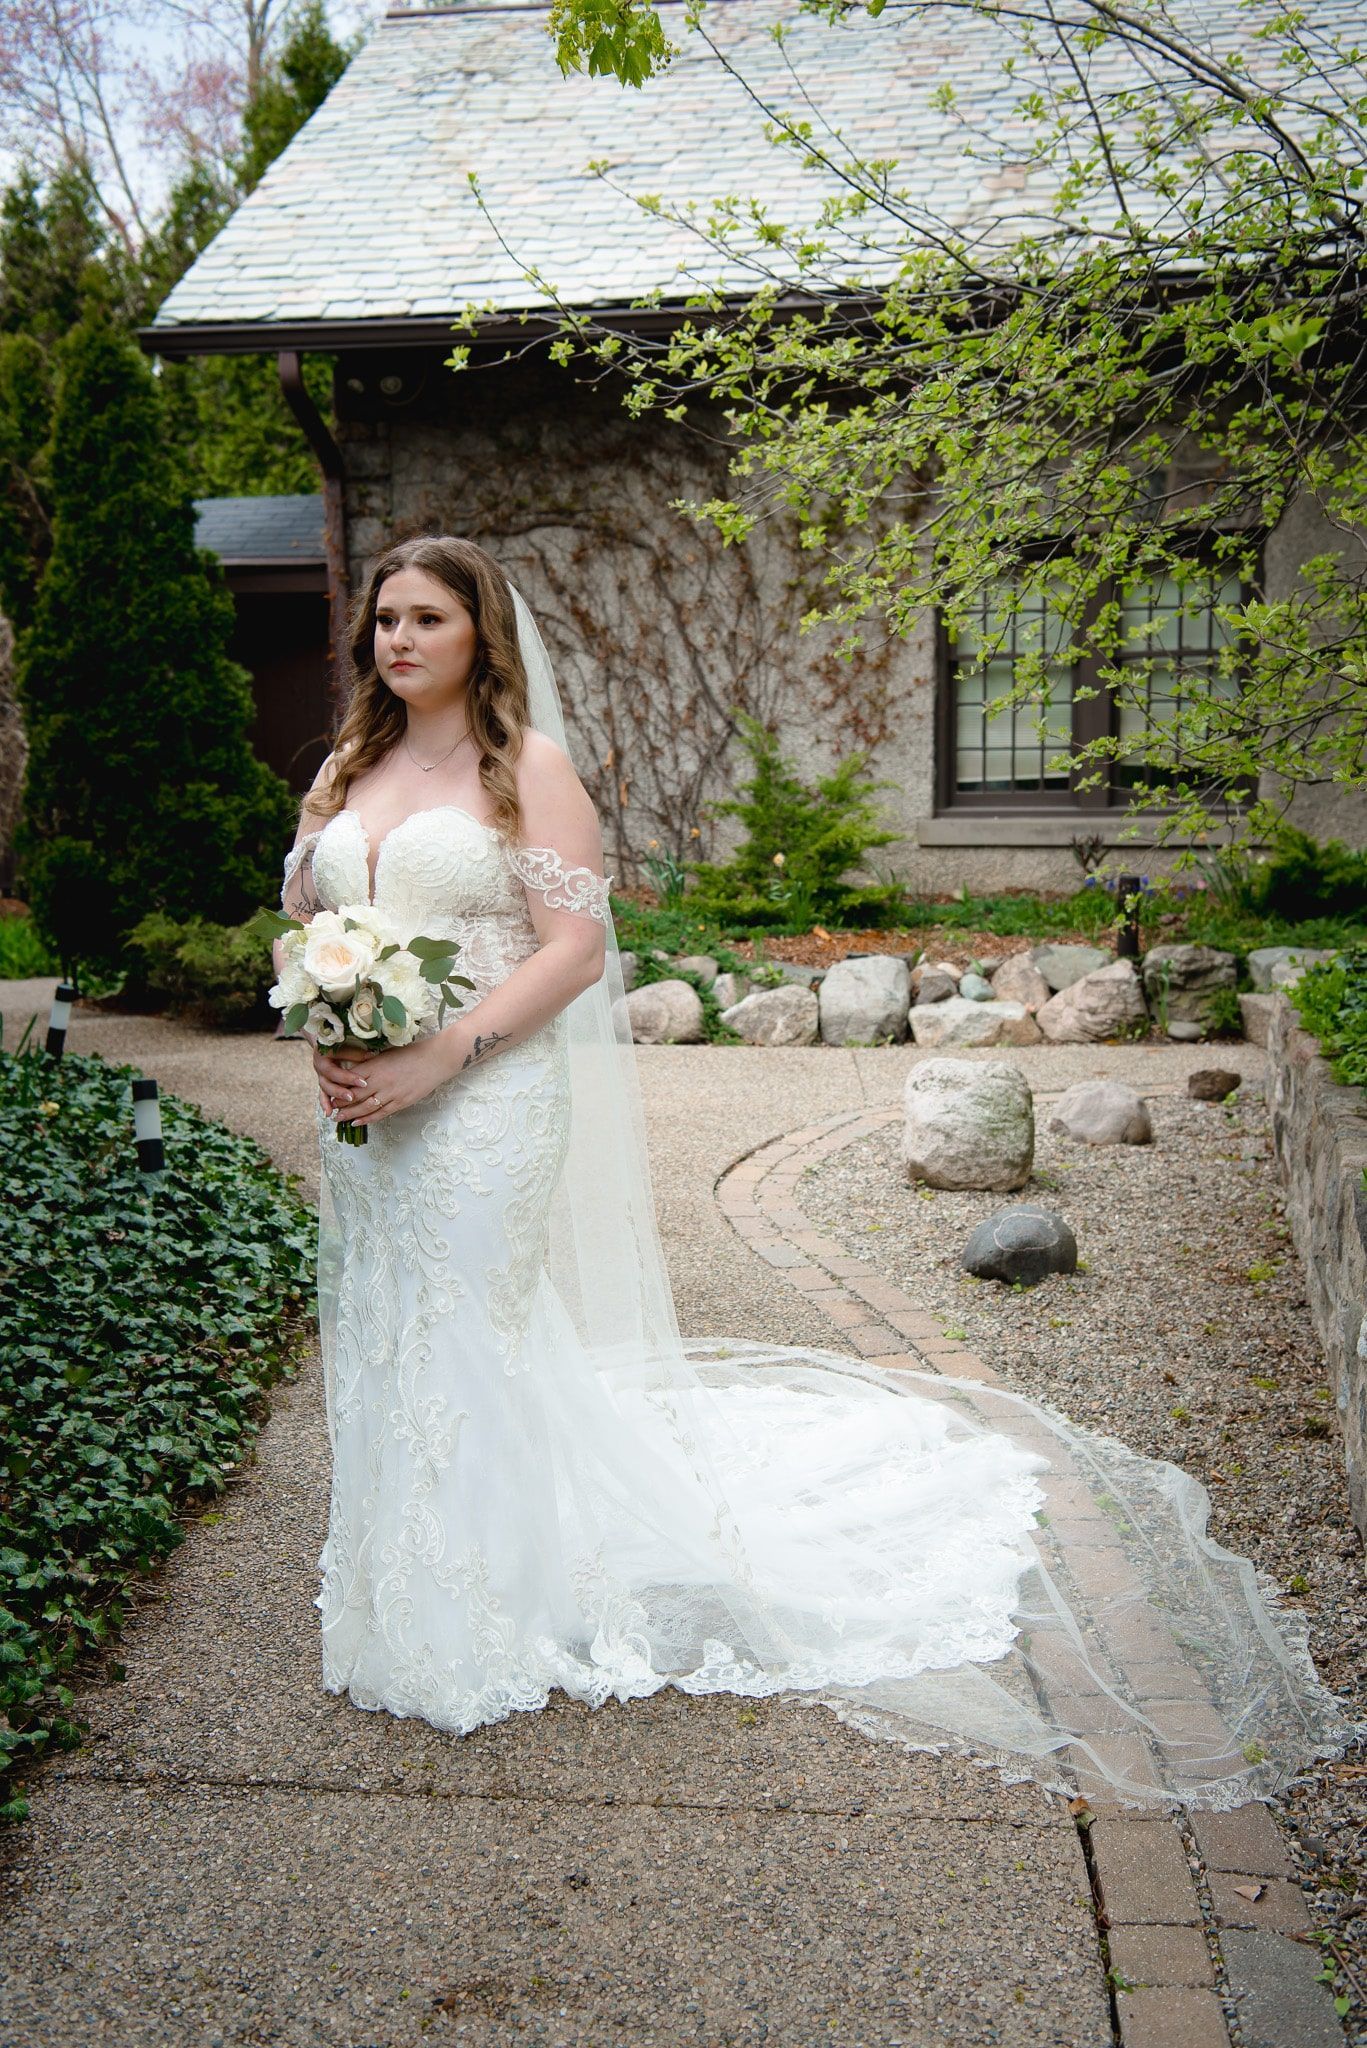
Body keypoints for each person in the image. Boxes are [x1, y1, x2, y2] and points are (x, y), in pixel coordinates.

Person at [278, 533, 1348, 1811]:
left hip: (487, 1093)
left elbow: (571, 950)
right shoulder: (350, 767)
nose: (397, 640)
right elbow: (316, 922)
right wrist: (339, 1021)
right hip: (373, 1103)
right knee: (392, 1326)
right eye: (384, 620)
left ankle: (491, 1603)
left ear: (480, 637)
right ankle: (405, 1579)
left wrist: (443, 1049)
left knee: (468, 1328)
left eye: (427, 620)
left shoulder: (529, 771)